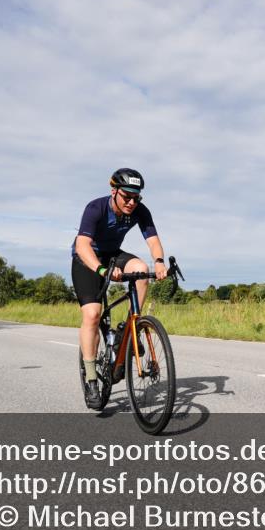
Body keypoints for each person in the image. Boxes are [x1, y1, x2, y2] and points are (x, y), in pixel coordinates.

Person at [72, 168, 169, 408]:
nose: (132, 202)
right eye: (127, 196)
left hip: (113, 254)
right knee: (93, 315)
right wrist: (101, 270)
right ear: (114, 191)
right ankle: (93, 379)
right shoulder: (96, 208)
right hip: (87, 258)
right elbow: (82, 244)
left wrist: (159, 263)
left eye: (137, 198)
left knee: (140, 271)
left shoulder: (139, 211)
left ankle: (130, 327)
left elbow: (153, 241)